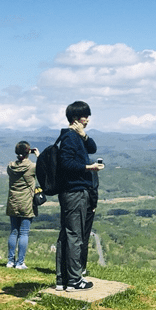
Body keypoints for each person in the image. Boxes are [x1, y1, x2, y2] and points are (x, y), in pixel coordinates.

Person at [55, 101, 104, 292]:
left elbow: (92, 148)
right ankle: (75, 280)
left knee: (66, 235)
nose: (88, 119)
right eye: (85, 116)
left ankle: (62, 280)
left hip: (71, 192)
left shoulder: (74, 137)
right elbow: (66, 164)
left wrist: (83, 135)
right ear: (76, 118)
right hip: (75, 192)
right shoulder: (70, 138)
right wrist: (88, 167)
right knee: (75, 235)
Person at [6, 141, 40, 269]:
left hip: (13, 202)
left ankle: (10, 261)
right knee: (24, 233)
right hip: (26, 202)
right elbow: (45, 168)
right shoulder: (32, 167)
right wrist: (38, 155)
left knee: (13, 231)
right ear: (28, 152)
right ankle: (20, 263)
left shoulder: (10, 166)